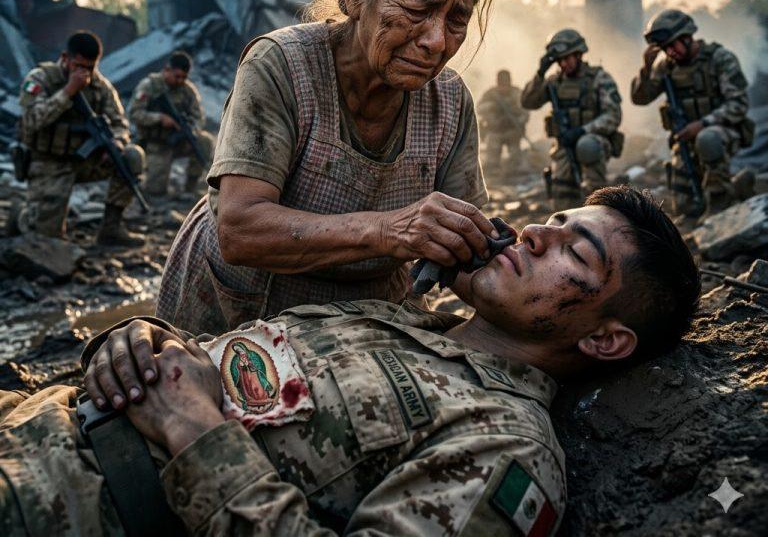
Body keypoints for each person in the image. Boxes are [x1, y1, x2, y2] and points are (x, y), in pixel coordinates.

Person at [0, 186, 700, 537]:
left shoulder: (507, 443)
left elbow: (199, 414)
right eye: (554, 221)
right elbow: (221, 364)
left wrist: (193, 432)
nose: (537, 233)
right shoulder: (385, 314)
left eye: (577, 252)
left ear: (606, 340)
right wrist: (134, 340)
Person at [157, 0, 495, 335]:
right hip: (241, 308)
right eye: (417, 9)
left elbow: (463, 251)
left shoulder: (449, 102)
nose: (435, 41)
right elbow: (240, 230)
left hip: (365, 320)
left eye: (457, 19)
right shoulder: (281, 66)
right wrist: (392, 231)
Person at [16, 30, 145, 246]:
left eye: (90, 67)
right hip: (48, 162)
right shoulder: (40, 78)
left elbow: (120, 122)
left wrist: (117, 142)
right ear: (65, 58)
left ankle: (111, 229)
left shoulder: (100, 86)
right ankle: (22, 216)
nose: (84, 73)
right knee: (47, 239)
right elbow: (31, 120)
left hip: (85, 161)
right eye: (78, 66)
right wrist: (67, 92)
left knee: (131, 157)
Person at [631, 9, 753, 216]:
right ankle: (736, 187)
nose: (670, 52)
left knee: (707, 141)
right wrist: (646, 68)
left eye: (673, 45)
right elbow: (640, 99)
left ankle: (720, 204)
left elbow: (739, 103)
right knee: (685, 206)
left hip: (720, 133)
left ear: (687, 38)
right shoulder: (666, 67)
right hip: (685, 140)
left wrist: (703, 124)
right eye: (664, 48)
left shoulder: (719, 59)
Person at [521, 28, 623, 205]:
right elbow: (528, 102)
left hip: (593, 142)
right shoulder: (554, 81)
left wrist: (583, 130)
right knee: (562, 196)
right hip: (565, 144)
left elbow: (613, 115)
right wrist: (540, 73)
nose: (563, 64)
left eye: (567, 58)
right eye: (559, 60)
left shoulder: (598, 78)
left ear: (579, 55)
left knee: (587, 147)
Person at [128, 51, 215, 199]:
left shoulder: (187, 90)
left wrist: (191, 129)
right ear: (167, 70)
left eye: (184, 77)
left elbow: (198, 116)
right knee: (156, 193)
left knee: (204, 141)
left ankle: (190, 187)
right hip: (154, 144)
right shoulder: (149, 86)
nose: (180, 81)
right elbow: (134, 114)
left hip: (178, 140)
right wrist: (159, 118)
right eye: (177, 76)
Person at [477, 69, 529, 179]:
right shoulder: (490, 94)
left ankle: (512, 174)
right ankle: (493, 174)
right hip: (495, 131)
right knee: (491, 163)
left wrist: (519, 121)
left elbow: (526, 111)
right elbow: (478, 108)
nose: (504, 87)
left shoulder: (517, 93)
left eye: (506, 83)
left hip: (512, 131)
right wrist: (491, 106)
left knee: (515, 161)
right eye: (502, 83)